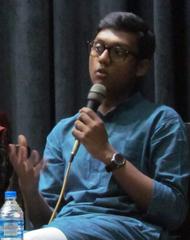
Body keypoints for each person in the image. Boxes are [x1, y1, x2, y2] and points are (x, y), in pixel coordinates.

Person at [9, 11, 190, 240]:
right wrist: (30, 189)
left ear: (141, 67)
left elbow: (174, 211)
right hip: (67, 228)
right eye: (98, 47)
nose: (103, 58)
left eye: (118, 51)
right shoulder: (65, 131)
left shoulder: (161, 121)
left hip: (126, 228)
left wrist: (107, 153)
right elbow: (47, 220)